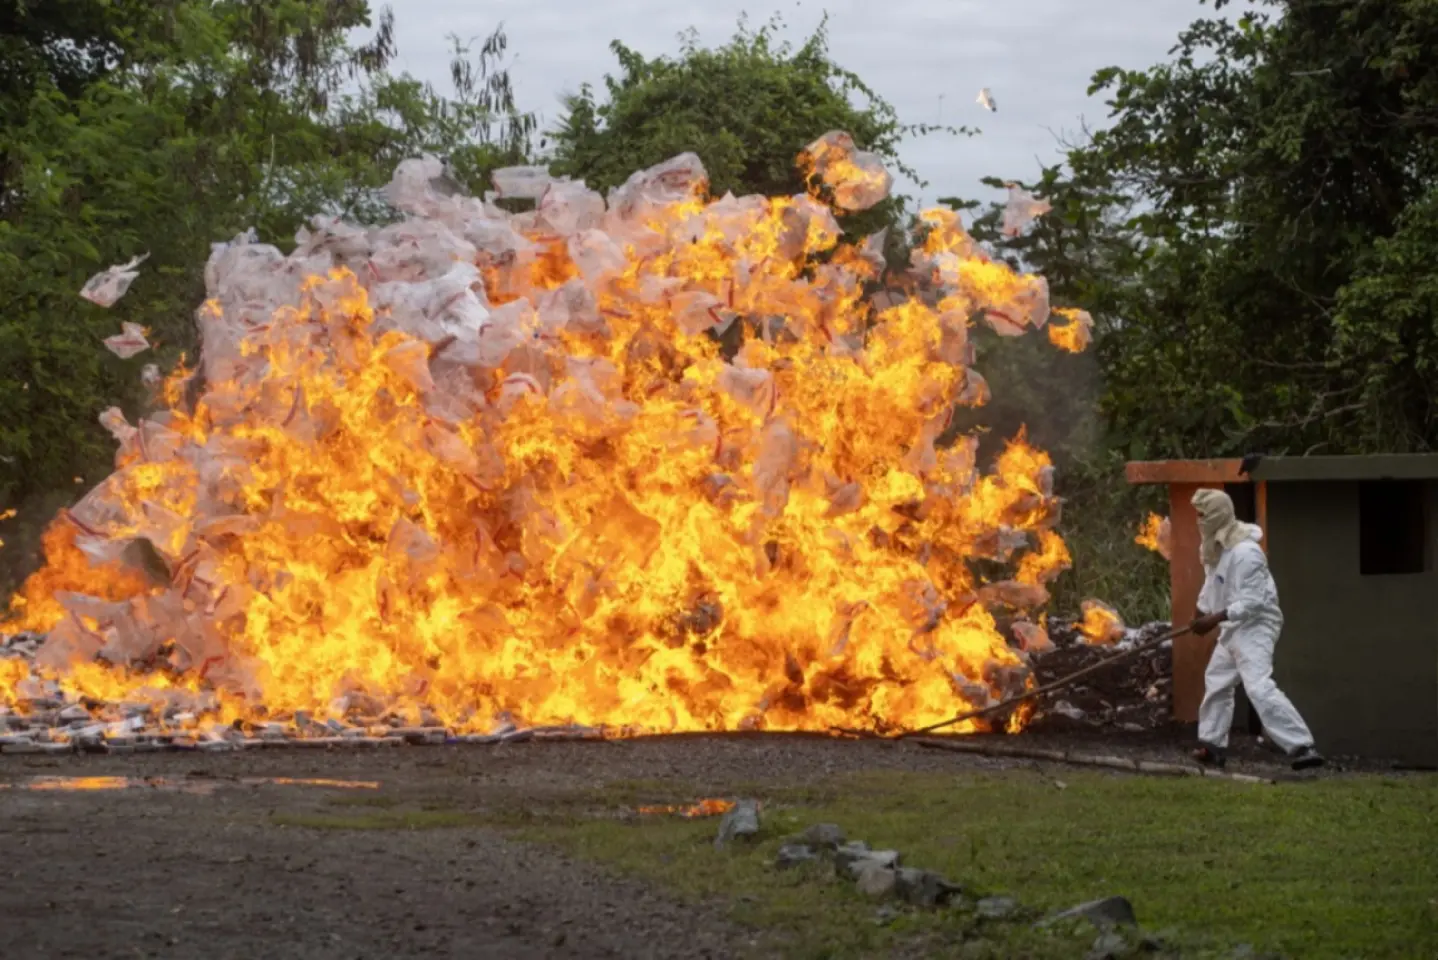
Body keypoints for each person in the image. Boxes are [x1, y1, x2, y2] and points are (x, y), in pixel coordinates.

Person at [1187, 489, 1325, 771]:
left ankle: (1302, 746)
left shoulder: (1246, 553)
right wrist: (1198, 614)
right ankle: (1212, 746)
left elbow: (1253, 601)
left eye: (1203, 515)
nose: (1199, 521)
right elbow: (1212, 585)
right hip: (1233, 626)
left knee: (1258, 685)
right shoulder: (1215, 549)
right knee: (1217, 680)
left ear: (1217, 516)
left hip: (1256, 625)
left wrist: (1213, 621)